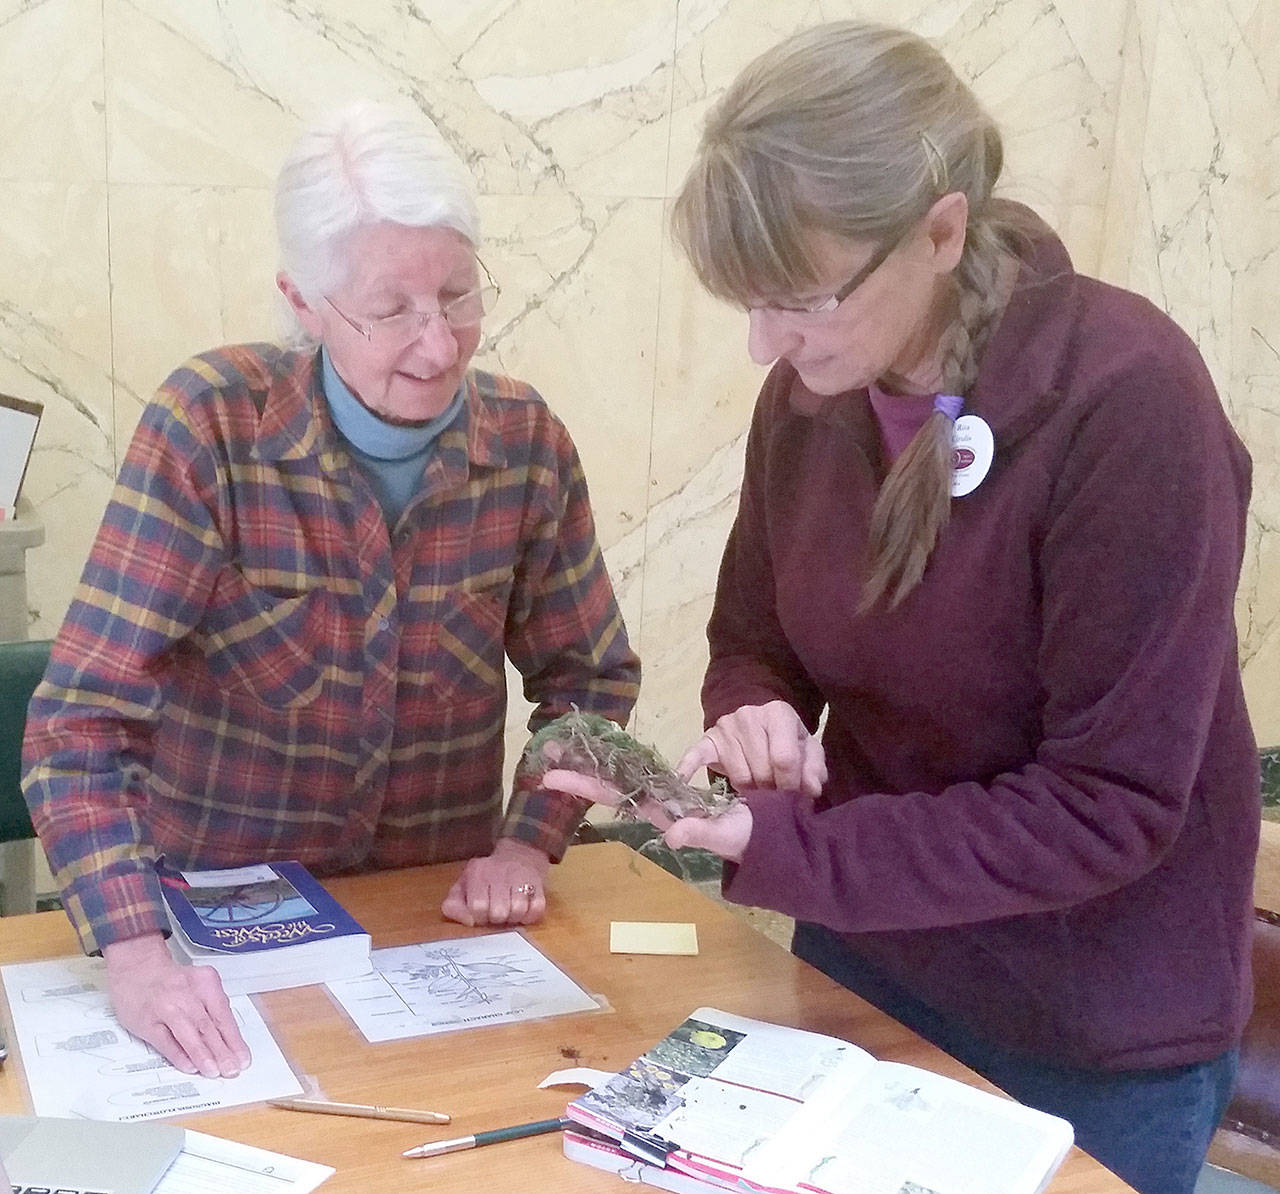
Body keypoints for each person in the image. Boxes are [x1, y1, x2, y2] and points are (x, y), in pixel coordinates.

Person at [540, 21, 1259, 1194]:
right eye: (749, 303)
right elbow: (753, 638)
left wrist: (785, 844)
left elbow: (1106, 806)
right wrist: (755, 717)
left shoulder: (1128, 404)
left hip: (1084, 1028)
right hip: (867, 971)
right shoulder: (812, 391)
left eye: (800, 301)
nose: (764, 343)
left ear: (938, 230)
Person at [22, 101, 639, 1083]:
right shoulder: (211, 428)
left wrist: (529, 845)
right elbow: (79, 725)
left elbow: (591, 681)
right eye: (390, 310)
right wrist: (134, 956)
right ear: (302, 303)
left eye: (458, 295)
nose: (438, 346)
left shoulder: (525, 446)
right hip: (218, 937)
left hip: (425, 935)